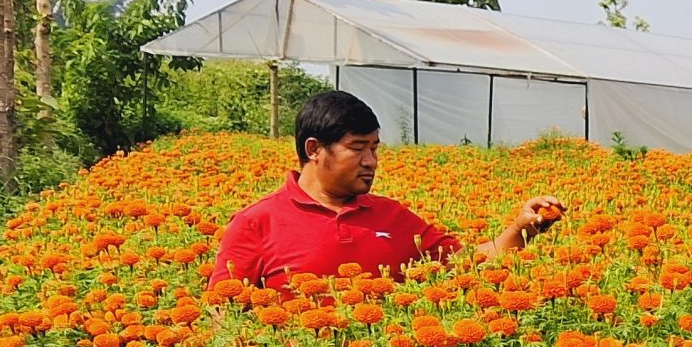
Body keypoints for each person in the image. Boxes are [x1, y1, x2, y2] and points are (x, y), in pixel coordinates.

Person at [206, 89, 565, 289]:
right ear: (314, 149)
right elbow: (223, 310)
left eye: (375, 148)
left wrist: (522, 228)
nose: (371, 161)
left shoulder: (392, 216)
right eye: (358, 148)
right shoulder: (258, 222)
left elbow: (469, 260)